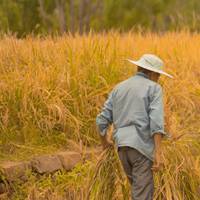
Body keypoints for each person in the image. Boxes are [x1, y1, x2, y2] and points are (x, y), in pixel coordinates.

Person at [96, 54, 173, 200]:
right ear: (152, 73)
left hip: (122, 149)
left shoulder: (119, 88)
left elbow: (101, 121)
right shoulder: (154, 88)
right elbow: (156, 122)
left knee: (137, 191)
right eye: (158, 76)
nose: (159, 79)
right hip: (141, 150)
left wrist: (104, 143)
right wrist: (157, 152)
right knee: (142, 195)